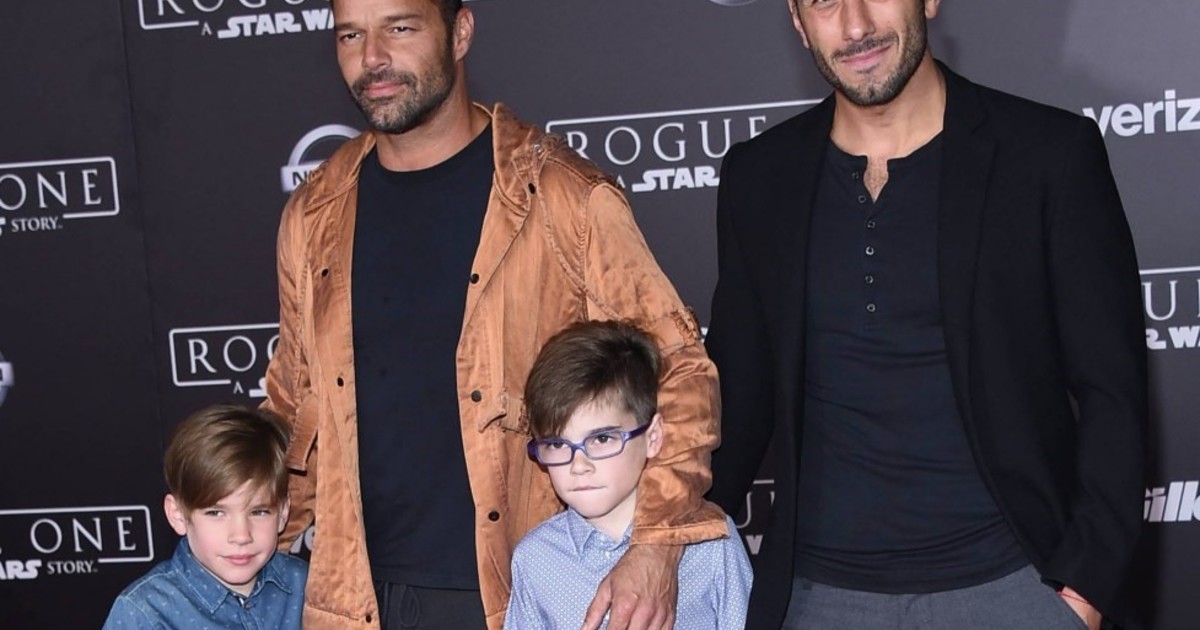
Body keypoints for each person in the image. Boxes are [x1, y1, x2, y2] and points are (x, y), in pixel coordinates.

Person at [260, 0, 726, 628]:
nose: (372, 58)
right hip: (352, 598)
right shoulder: (315, 213)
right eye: (351, 36)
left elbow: (680, 372)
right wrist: (243, 547)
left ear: (460, 33)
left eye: (400, 28)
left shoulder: (562, 197)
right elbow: (293, 407)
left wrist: (656, 544)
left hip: (528, 591)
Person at [705, 1, 1148, 629]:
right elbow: (735, 404)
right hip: (816, 597)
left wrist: (1083, 591)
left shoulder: (1047, 154)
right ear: (798, 22)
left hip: (1014, 587)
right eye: (825, 1)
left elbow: (1113, 391)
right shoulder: (759, 177)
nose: (856, 26)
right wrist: (661, 541)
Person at [504, 320, 752, 629]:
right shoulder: (535, 559)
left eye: (602, 439)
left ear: (652, 437)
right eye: (556, 444)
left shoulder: (712, 542)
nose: (578, 465)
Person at [102, 405, 307, 629]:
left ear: (283, 512)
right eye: (216, 513)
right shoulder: (144, 613)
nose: (241, 536)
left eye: (259, 512)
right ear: (178, 515)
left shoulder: (308, 586)